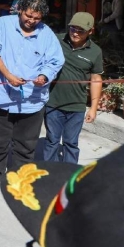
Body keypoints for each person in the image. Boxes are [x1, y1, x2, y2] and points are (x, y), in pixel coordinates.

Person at [0, 0, 64, 189]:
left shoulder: (47, 34)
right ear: (20, 10)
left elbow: (55, 61)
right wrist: (8, 75)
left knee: (26, 144)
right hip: (0, 97)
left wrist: (44, 77)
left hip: (32, 100)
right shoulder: (3, 24)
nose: (31, 21)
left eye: (37, 18)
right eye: (28, 16)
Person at [43, 12, 103, 164]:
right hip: (53, 103)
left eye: (80, 30)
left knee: (71, 143)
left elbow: (96, 79)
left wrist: (94, 108)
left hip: (76, 105)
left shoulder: (95, 52)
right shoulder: (56, 40)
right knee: (52, 141)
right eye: (72, 29)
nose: (75, 33)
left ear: (91, 31)